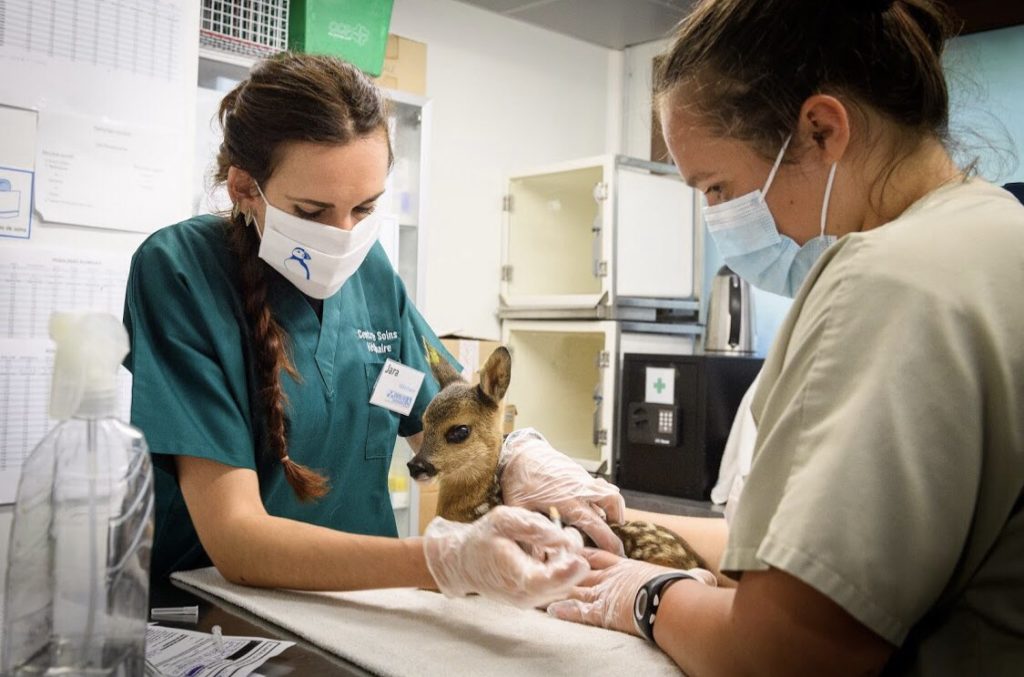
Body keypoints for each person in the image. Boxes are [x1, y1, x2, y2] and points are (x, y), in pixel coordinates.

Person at [547, 1, 1024, 674]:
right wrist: (616, 518)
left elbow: (787, 652)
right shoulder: (994, 233)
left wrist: (644, 597)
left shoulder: (889, 278)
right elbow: (812, 558)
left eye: (717, 187)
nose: (717, 219)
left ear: (822, 129)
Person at [123, 53, 625, 607]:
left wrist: (519, 459)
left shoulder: (372, 273)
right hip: (223, 617)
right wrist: (442, 560)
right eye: (312, 212)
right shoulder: (179, 271)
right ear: (244, 186)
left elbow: (453, 420)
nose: (342, 236)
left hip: (367, 605)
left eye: (364, 209)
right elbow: (237, 540)